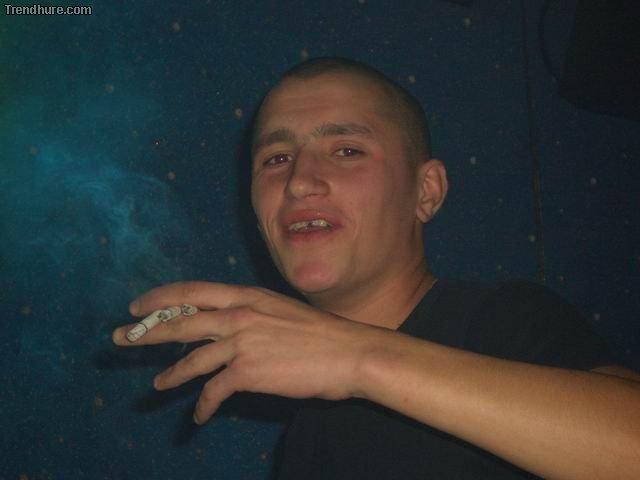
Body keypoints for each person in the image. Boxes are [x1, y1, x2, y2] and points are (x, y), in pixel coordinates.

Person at [113, 57, 640, 479]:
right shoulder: (305, 434)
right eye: (276, 159)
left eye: (346, 150)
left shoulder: (501, 320)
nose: (299, 181)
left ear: (425, 192)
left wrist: (357, 358)